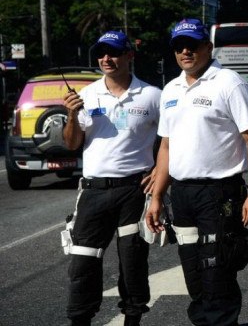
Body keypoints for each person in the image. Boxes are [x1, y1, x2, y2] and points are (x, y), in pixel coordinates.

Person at [145, 18, 248, 326]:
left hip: (219, 193)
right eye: (178, 46)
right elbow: (166, 148)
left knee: (217, 274)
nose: (185, 51)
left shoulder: (229, 83)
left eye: (192, 45)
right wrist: (157, 196)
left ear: (208, 47)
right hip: (182, 195)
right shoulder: (170, 89)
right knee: (194, 277)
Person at [62, 31, 160, 326]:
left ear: (130, 56)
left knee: (132, 262)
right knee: (83, 263)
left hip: (134, 190)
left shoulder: (153, 95)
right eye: (101, 53)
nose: (106, 58)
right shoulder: (86, 95)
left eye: (114, 52)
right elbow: (71, 143)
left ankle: (133, 318)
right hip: (93, 191)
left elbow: (171, 139)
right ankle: (80, 320)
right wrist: (70, 116)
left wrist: (158, 171)